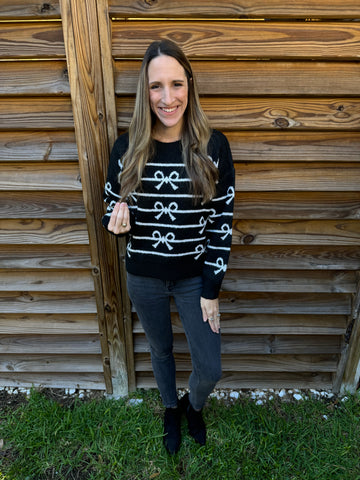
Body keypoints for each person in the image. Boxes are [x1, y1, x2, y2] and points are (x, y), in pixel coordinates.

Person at [102, 39, 235, 454]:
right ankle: (169, 408)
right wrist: (117, 223)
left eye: (176, 84)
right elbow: (112, 204)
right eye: (156, 86)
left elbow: (222, 221)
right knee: (160, 349)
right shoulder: (127, 149)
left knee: (209, 366)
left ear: (189, 86)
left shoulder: (213, 147)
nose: (167, 97)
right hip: (143, 276)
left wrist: (212, 289)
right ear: (146, 92)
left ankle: (193, 406)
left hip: (195, 278)